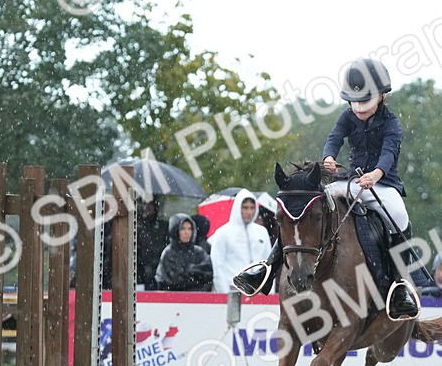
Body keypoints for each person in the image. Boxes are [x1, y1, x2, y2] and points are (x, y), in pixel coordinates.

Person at [233, 57, 421, 321]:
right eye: (354, 102)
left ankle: (399, 284)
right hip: (349, 181)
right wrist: (329, 157)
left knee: (399, 215)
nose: (358, 108)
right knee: (309, 207)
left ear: (382, 96)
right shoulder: (347, 117)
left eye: (364, 101)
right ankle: (266, 268)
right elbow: (334, 138)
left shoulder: (391, 124)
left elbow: (388, 154)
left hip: (382, 184)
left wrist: (376, 174)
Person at [210, 189, 271, 294]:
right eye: (245, 207)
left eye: (252, 208)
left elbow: (269, 263)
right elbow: (217, 266)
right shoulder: (223, 233)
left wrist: (269, 292)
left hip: (258, 289)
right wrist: (225, 293)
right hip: (233, 289)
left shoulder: (262, 232)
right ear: (238, 207)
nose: (249, 212)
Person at [154, 213, 213, 292]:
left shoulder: (199, 252)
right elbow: (173, 280)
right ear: (175, 230)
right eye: (182, 229)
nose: (187, 232)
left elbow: (208, 274)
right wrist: (194, 274)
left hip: (198, 299)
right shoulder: (169, 253)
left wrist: (191, 271)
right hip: (172, 299)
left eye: (190, 229)